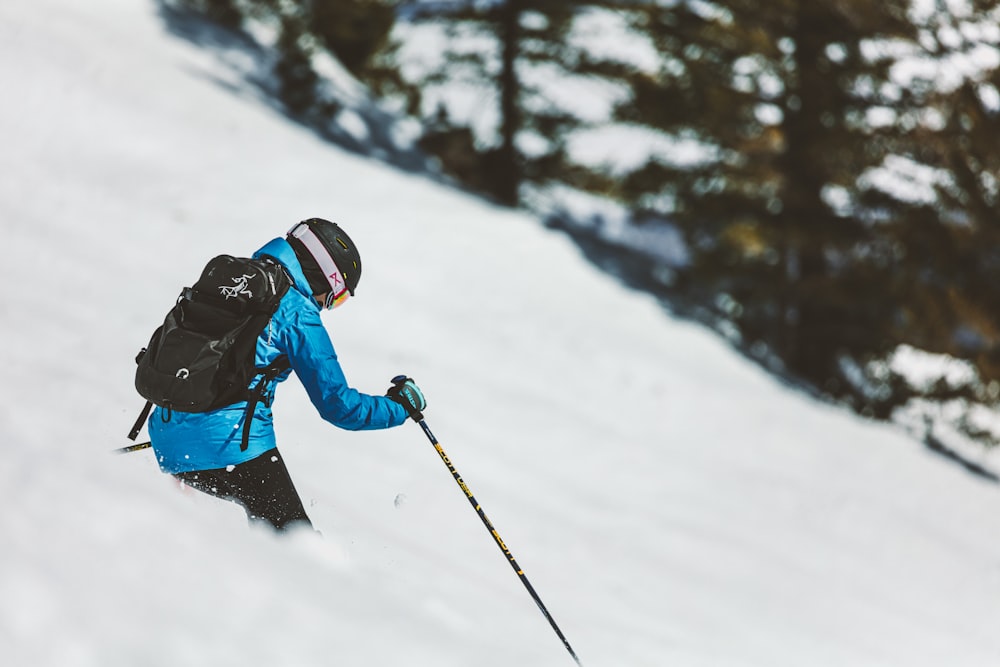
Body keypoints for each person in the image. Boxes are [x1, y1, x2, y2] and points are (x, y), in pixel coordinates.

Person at [147, 218, 426, 532]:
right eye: (337, 297)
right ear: (324, 277)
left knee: (240, 544)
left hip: (166, 436)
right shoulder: (297, 312)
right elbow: (338, 405)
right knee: (298, 549)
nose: (329, 306)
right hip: (231, 447)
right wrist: (400, 408)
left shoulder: (236, 279)